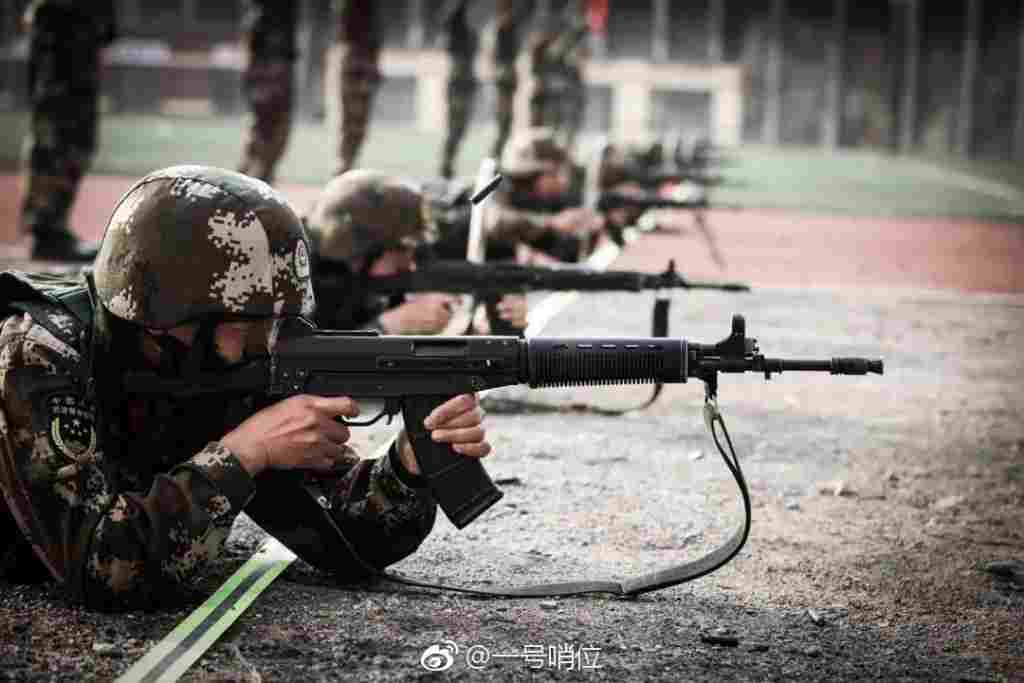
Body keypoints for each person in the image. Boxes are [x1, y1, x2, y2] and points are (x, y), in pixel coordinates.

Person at [0, 166, 490, 610]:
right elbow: (103, 569)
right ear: (169, 313)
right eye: (251, 320)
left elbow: (352, 535)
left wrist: (409, 463)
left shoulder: (225, 362)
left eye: (280, 319)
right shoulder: (42, 351)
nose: (270, 338)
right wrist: (243, 454)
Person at [305, 169, 527, 334]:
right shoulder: (297, 288)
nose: (410, 264)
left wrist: (477, 329)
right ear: (361, 252)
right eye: (403, 252)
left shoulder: (364, 282)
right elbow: (295, 369)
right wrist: (385, 328)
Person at [237, 0, 380, 185]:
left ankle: (257, 169)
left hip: (276, 44)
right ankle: (255, 170)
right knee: (268, 109)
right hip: (272, 43)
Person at [17, 0, 116, 262]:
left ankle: (50, 228)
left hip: (76, 32)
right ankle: (46, 231)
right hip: (63, 32)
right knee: (57, 135)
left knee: (74, 137)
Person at [439, 0, 527, 178]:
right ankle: (448, 165)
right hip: (461, 84)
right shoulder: (463, 34)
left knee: (463, 129)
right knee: (456, 129)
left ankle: (487, 163)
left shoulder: (479, 34)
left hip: (470, 83)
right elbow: (453, 17)